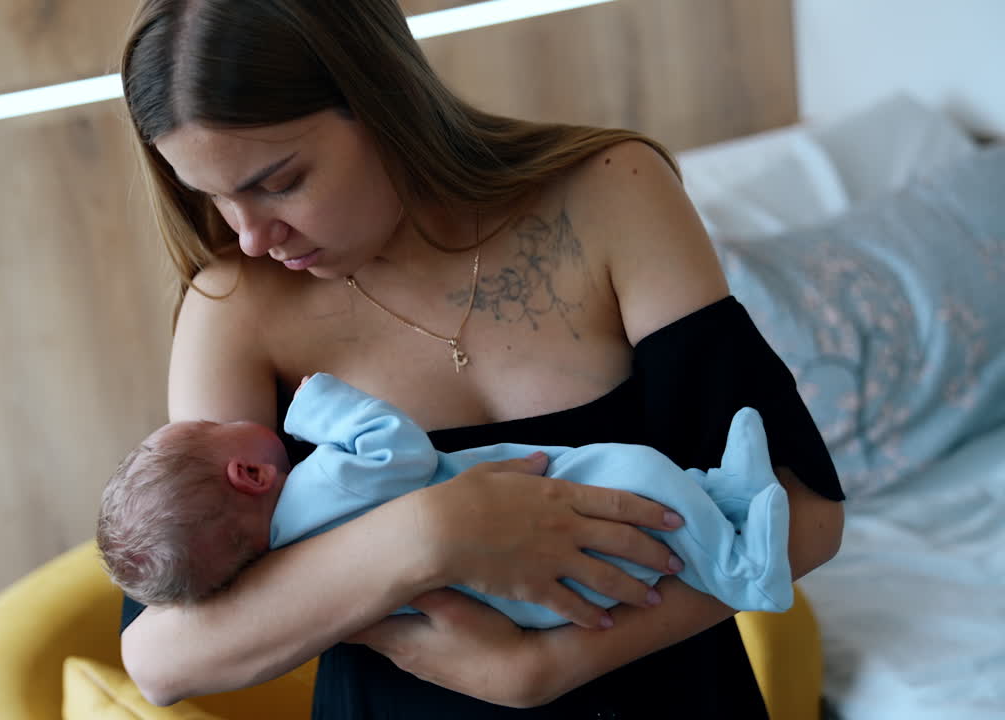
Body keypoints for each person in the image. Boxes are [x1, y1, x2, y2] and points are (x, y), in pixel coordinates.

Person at [117, 0, 845, 715]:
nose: (248, 235)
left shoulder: (610, 195)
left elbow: (805, 512)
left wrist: (542, 668)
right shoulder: (235, 308)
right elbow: (165, 657)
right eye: (209, 196)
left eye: (278, 182)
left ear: (382, 101)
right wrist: (434, 533)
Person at [99, 372, 794, 627]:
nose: (233, 417)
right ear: (250, 476)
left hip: (525, 601)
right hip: (561, 550)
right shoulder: (324, 484)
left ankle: (724, 499)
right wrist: (317, 405)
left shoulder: (295, 560)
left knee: (643, 494)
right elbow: (403, 450)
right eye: (219, 429)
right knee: (636, 478)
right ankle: (744, 571)